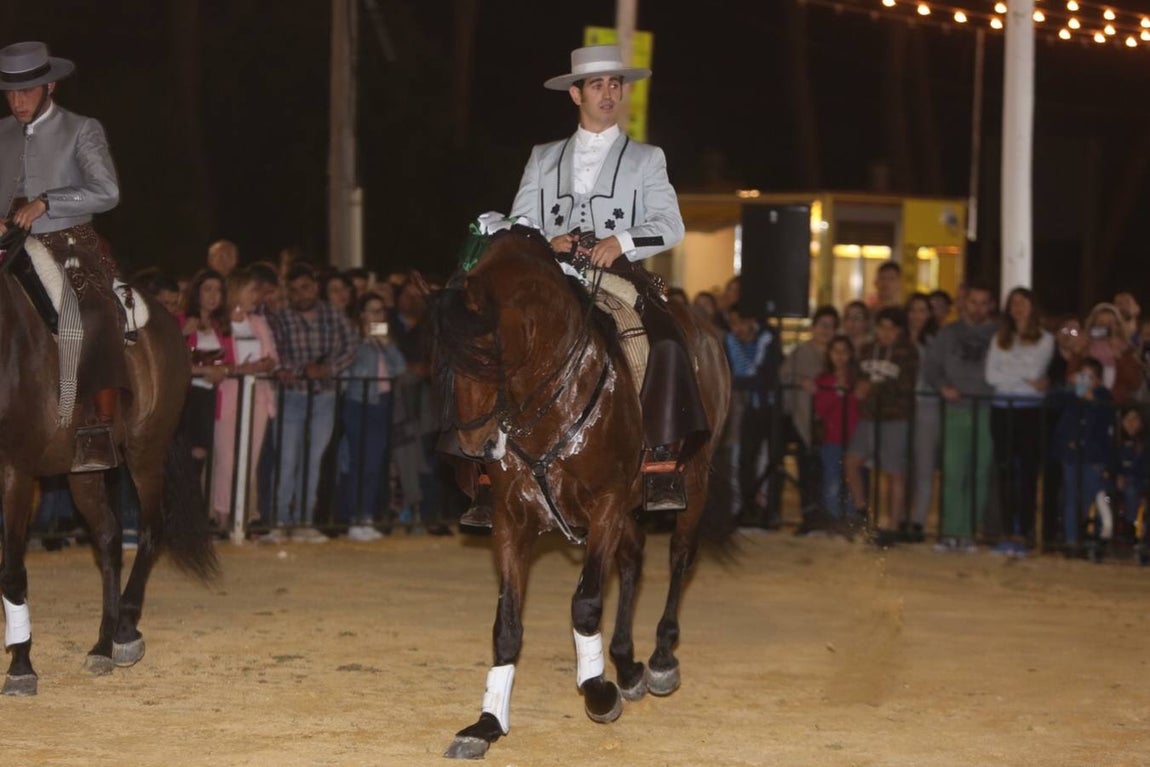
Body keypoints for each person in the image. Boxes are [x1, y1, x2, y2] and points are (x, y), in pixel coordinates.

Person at [508, 43, 705, 513]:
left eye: (615, 84)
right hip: (553, 277)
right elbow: (520, 223)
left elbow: (670, 223)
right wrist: (545, 242)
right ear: (576, 95)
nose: (609, 92)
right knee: (497, 338)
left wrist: (622, 241)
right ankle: (486, 459)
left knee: (664, 343)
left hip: (613, 274)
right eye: (597, 84)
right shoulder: (543, 156)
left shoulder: (646, 158)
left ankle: (659, 458)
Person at [0, 42, 125, 471]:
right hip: (7, 243)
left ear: (50, 85)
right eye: (10, 93)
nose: (17, 102)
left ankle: (99, 427)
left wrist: (48, 202)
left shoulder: (81, 128)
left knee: (93, 309)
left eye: (27, 92)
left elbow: (107, 191)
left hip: (68, 240)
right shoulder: (0, 132)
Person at [265, 262, 357, 543]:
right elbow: (274, 354)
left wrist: (327, 369)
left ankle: (304, 521)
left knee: (313, 460)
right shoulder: (280, 318)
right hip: (292, 395)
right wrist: (293, 371)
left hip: (324, 396)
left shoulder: (334, 315)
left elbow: (350, 347)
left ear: (315, 287)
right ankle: (280, 522)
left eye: (304, 287)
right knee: (287, 459)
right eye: (293, 290)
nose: (299, 294)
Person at [924, 281, 996, 553]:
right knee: (953, 471)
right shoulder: (948, 333)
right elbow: (931, 367)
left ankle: (968, 532)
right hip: (956, 409)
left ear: (989, 306)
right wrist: (943, 387)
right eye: (973, 302)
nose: (977, 308)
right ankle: (949, 531)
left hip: (987, 408)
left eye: (982, 303)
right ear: (964, 303)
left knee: (979, 471)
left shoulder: (998, 333)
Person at [984, 287, 1054, 556]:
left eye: (1022, 303)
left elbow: (1036, 370)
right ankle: (1007, 531)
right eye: (1013, 303)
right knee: (1005, 471)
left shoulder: (1045, 339)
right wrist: (1024, 377)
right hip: (1002, 409)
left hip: (1029, 411)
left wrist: (1012, 373)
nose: (1017, 308)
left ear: (1032, 307)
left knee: (1026, 472)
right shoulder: (999, 338)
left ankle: (1023, 531)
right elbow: (991, 376)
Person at [210, 268, 277, 532]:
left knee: (250, 458)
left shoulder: (258, 322)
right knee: (227, 458)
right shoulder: (221, 323)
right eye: (252, 290)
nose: (257, 296)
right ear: (238, 290)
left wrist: (266, 364)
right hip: (228, 394)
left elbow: (272, 356)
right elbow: (217, 360)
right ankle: (222, 515)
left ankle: (242, 515)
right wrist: (239, 370)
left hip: (258, 394)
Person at [337, 292, 406, 541]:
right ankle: (355, 517)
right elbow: (347, 372)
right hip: (359, 403)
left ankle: (365, 515)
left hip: (381, 403)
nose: (379, 315)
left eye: (381, 311)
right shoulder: (353, 341)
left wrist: (385, 343)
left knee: (374, 463)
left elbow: (399, 368)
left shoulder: (383, 341)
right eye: (373, 311)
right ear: (362, 314)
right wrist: (366, 340)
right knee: (359, 461)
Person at [844, 307, 918, 539]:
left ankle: (892, 525)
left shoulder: (908, 352)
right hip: (869, 417)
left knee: (893, 471)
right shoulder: (867, 349)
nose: (885, 333)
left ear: (900, 330)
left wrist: (872, 388)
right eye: (882, 327)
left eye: (891, 328)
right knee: (851, 461)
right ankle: (861, 510)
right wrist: (858, 385)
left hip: (895, 417)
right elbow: (856, 374)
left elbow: (905, 385)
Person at [780, 305, 839, 524]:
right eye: (822, 325)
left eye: (831, 326)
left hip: (831, 422)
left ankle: (829, 513)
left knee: (829, 469)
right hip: (805, 419)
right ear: (813, 327)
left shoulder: (838, 353)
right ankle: (810, 515)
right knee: (808, 468)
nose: (826, 331)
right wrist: (800, 382)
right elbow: (785, 376)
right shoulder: (801, 352)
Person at [722, 303, 781, 525]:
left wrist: (742, 382)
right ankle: (748, 508)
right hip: (748, 409)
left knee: (770, 460)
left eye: (738, 322)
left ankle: (768, 510)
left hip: (770, 409)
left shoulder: (768, 338)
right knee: (746, 459)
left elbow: (766, 377)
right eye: (732, 323)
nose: (735, 328)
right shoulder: (731, 341)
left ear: (750, 321)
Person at [1051, 357, 1114, 556]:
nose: (1084, 380)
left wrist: (1091, 401)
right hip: (1071, 457)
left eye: (1089, 377)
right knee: (1071, 498)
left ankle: (1093, 540)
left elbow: (1103, 426)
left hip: (1092, 458)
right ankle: (1071, 541)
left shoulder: (1103, 399)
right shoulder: (1070, 398)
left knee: (1091, 498)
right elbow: (1053, 403)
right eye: (1081, 375)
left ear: (1098, 381)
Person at [180, 269, 231, 482]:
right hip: (186, 394)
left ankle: (190, 504)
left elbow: (232, 361)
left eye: (218, 290)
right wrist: (182, 334)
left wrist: (222, 371)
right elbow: (172, 360)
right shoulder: (181, 319)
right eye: (207, 289)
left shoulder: (222, 325)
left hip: (210, 395)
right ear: (196, 292)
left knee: (200, 451)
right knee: (182, 453)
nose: (213, 295)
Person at [812, 335, 860, 527]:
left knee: (852, 482)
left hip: (854, 438)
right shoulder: (823, 380)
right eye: (835, 351)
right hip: (831, 438)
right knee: (832, 481)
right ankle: (833, 520)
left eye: (844, 352)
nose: (840, 356)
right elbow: (820, 409)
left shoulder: (856, 380)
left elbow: (859, 409)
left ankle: (851, 519)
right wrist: (836, 390)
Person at [905, 292, 940, 543]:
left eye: (922, 310)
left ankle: (917, 521)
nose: (917, 315)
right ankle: (900, 517)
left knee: (924, 465)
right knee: (901, 465)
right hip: (901, 406)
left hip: (927, 405)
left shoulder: (936, 341)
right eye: (913, 310)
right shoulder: (897, 339)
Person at [1066, 303, 1143, 405]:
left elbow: (1135, 383)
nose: (1106, 326)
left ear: (1118, 326)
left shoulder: (1127, 350)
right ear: (1093, 325)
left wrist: (1120, 357)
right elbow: (1070, 377)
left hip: (1116, 405)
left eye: (1111, 323)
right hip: (1086, 402)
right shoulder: (1084, 348)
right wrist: (1077, 353)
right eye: (1101, 323)